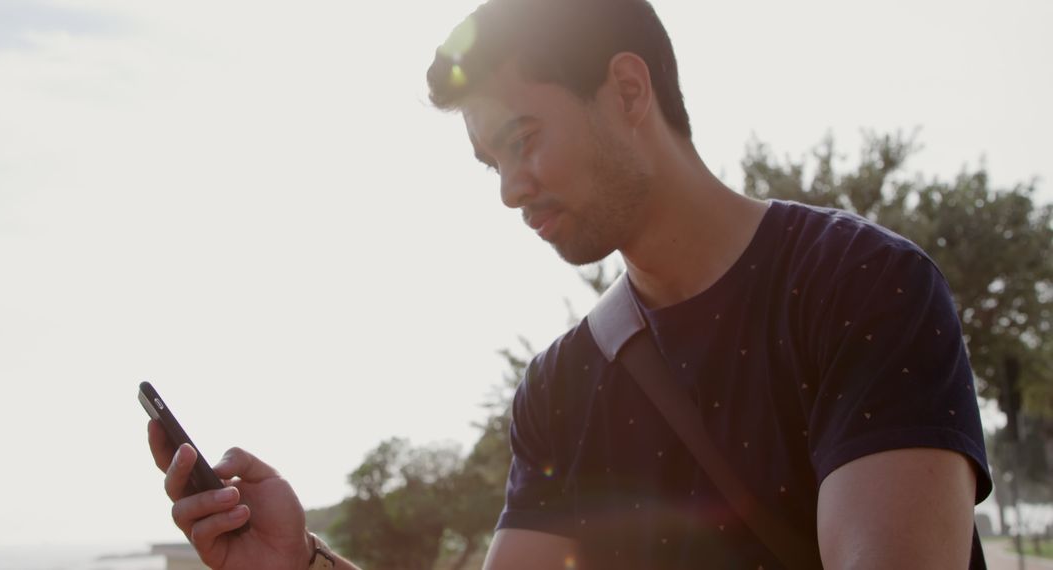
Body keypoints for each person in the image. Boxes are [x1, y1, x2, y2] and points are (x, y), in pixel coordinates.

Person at [148, 0, 992, 567]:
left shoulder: (864, 287)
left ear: (628, 89)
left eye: (524, 139)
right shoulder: (559, 389)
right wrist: (300, 562)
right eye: (491, 163)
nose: (511, 188)